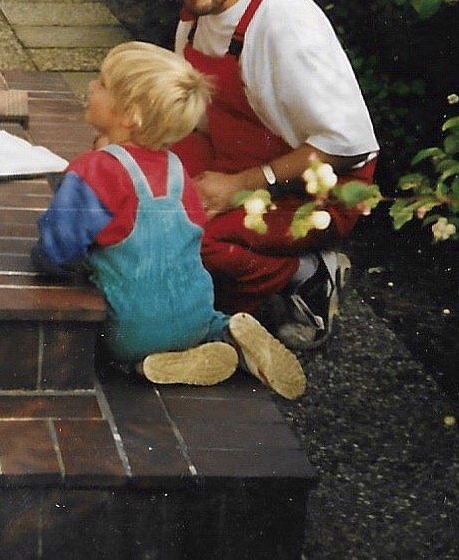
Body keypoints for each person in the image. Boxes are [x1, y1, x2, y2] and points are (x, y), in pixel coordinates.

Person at [151, 0, 378, 350]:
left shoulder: (281, 20)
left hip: (320, 188)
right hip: (240, 158)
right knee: (141, 197)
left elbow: (350, 144)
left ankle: (308, 276)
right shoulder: (196, 15)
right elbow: (193, 117)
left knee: (193, 239)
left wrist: (240, 186)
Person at [32, 42, 306, 399]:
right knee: (196, 315)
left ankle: (143, 363)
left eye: (100, 83)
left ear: (130, 114)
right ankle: (226, 335)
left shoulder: (95, 168)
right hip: (196, 309)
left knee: (110, 345)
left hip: (131, 329)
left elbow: (58, 247)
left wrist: (45, 264)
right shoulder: (178, 170)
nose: (90, 87)